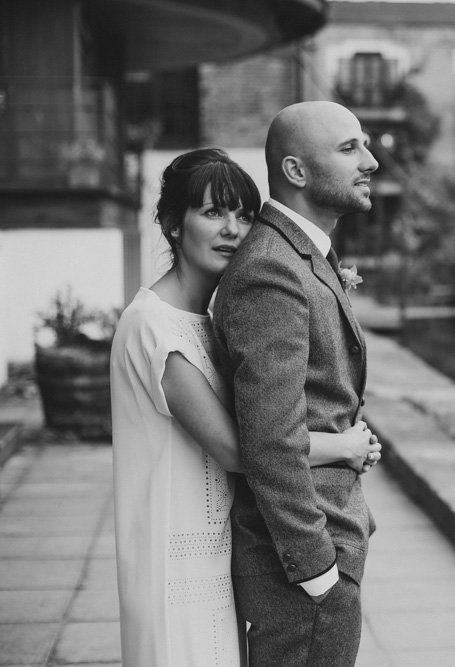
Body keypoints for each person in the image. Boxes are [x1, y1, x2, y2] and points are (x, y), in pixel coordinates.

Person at [110, 148, 381, 667]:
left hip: (217, 546)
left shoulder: (206, 319)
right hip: (176, 551)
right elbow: (238, 449)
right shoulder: (154, 327)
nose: (232, 229)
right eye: (212, 213)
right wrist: (345, 446)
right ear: (171, 225)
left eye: (243, 214)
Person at [212, 101, 379, 667]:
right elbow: (270, 438)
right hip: (302, 566)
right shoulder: (271, 268)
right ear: (296, 172)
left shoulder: (304, 257)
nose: (371, 161)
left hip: (329, 546)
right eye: (349, 148)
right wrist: (316, 571)